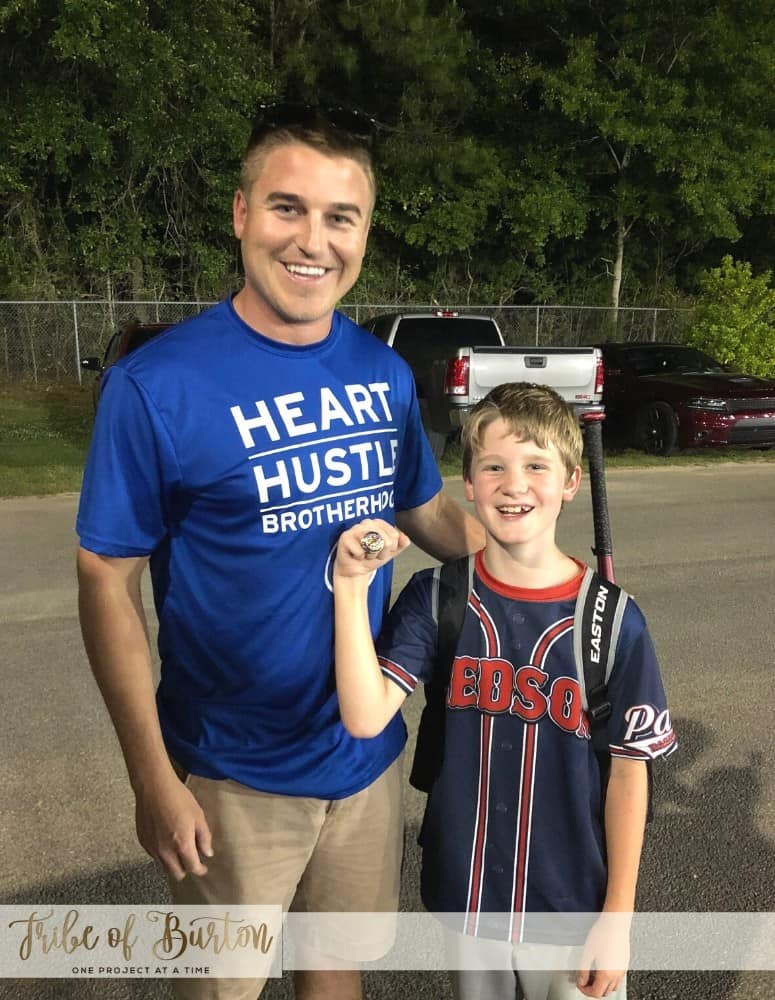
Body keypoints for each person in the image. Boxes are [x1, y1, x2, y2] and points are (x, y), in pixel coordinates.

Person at [76, 103, 484, 1000]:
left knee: (333, 973)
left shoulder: (381, 376)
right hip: (229, 773)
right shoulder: (157, 386)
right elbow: (107, 580)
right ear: (240, 214)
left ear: (365, 233)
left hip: (360, 754)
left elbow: (429, 515)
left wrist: (518, 523)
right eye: (286, 207)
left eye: (340, 217)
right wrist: (151, 777)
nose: (313, 240)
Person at [333, 382, 677, 1000]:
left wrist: (618, 916)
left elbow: (629, 773)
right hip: (469, 895)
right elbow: (363, 716)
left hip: (575, 902)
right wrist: (352, 586)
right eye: (493, 465)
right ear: (468, 483)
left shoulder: (613, 620)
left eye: (536, 466)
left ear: (571, 481)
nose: (513, 484)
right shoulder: (437, 597)